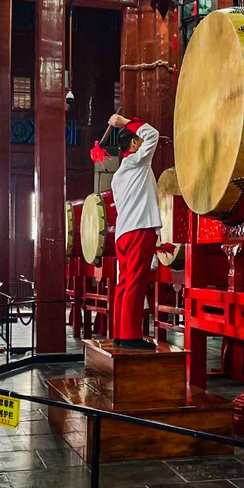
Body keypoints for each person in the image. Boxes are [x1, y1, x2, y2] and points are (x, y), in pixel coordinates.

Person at [108, 114, 162, 350]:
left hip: (123, 232)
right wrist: (125, 122)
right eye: (137, 140)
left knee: (124, 283)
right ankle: (131, 336)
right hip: (139, 228)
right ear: (132, 143)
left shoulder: (117, 176)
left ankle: (120, 333)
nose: (141, 142)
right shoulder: (138, 161)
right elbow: (153, 134)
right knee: (136, 284)